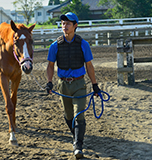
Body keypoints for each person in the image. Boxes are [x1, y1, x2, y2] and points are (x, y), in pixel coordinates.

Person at [45, 12, 100, 159]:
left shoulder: (83, 44)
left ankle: (78, 146)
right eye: (63, 23)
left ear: (75, 26)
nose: (65, 26)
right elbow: (50, 66)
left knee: (79, 114)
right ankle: (76, 138)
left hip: (79, 84)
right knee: (68, 115)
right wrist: (49, 82)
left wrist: (95, 85)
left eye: (68, 23)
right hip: (62, 84)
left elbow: (89, 66)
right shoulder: (55, 46)